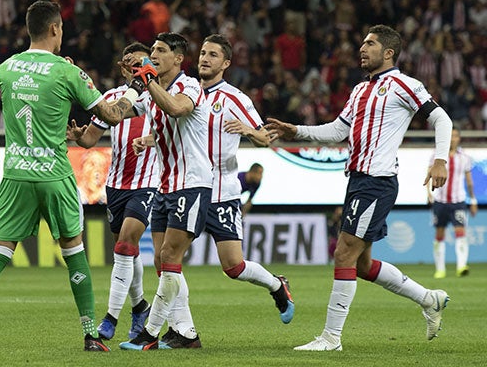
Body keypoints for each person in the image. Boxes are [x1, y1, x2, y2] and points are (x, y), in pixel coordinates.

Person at [0, 0, 145, 353]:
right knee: (74, 253)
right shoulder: (68, 72)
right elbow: (112, 114)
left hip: (15, 174)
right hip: (54, 174)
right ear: (55, 28)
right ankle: (90, 334)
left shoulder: (6, 68)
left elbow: (33, 90)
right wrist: (136, 87)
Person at [266, 24, 453, 351]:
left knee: (344, 253)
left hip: (377, 182)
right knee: (362, 264)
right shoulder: (359, 90)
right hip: (357, 181)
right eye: (362, 43)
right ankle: (429, 299)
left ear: (389, 52)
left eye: (370, 44)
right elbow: (337, 131)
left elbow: (442, 120)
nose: (362, 49)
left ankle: (331, 338)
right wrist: (295, 130)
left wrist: (440, 160)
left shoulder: (404, 84)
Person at [154, 33, 294, 349]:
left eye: (213, 55)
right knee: (165, 260)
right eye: (203, 53)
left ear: (226, 63)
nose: (205, 58)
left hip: (220, 193)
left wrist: (248, 129)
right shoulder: (184, 91)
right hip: (185, 188)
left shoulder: (234, 99)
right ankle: (183, 330)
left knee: (234, 267)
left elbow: (266, 138)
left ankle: (276, 285)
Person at [118, 32, 213, 351]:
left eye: (160, 50)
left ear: (177, 59)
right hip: (166, 185)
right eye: (152, 50)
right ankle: (186, 333)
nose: (153, 54)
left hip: (192, 183)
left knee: (171, 255)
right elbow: (120, 111)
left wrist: (148, 80)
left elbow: (175, 109)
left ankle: (149, 333)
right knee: (162, 260)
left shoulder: (189, 86)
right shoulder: (150, 91)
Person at [66, 42, 158, 341]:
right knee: (126, 252)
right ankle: (140, 306)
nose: (133, 66)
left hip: (148, 182)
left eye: (139, 61)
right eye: (128, 62)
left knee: (126, 244)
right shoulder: (111, 99)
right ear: (122, 68)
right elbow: (91, 139)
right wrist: (80, 137)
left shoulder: (162, 97)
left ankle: (110, 318)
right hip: (116, 185)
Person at [427, 127, 478, 278]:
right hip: (440, 200)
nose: (453, 139)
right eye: (450, 136)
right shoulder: (437, 155)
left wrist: (473, 199)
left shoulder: (465, 157)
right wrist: (428, 192)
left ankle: (461, 266)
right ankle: (440, 269)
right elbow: (429, 173)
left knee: (460, 232)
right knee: (439, 233)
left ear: (459, 139)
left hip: (458, 200)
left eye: (455, 136)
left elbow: (469, 181)